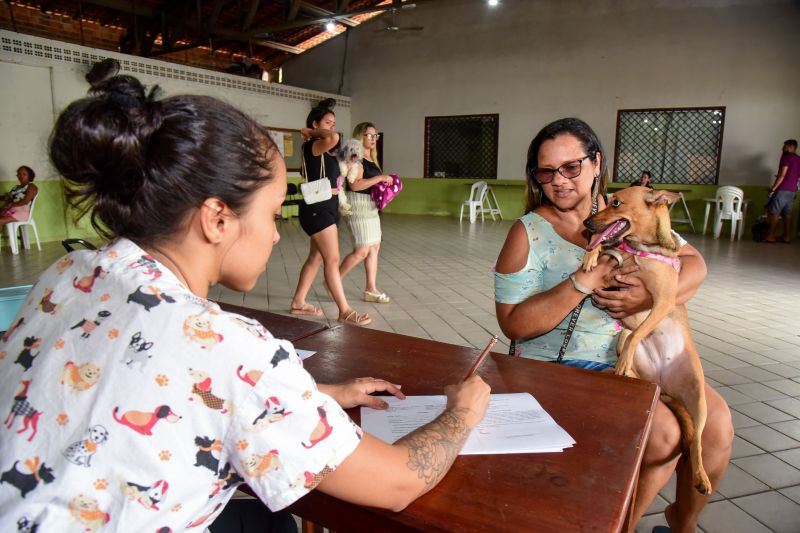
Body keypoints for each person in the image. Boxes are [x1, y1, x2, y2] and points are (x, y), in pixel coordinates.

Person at [0, 62, 491, 532]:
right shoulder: (226, 346)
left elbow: (158, 380)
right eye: (273, 212)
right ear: (217, 218)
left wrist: (316, 395)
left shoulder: (69, 272)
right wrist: (463, 411)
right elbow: (398, 482)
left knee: (265, 521)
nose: (277, 235)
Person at [494, 118, 732, 532]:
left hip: (637, 359)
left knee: (716, 424)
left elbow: (694, 264)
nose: (559, 181)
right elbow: (513, 325)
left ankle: (682, 522)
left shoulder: (626, 210)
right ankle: (619, 525)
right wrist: (580, 283)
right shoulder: (528, 232)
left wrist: (649, 296)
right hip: (561, 365)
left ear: (596, 162)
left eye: (571, 167)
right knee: (662, 434)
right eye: (546, 171)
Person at [290, 99, 372, 325]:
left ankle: (298, 302)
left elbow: (346, 156)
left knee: (315, 258)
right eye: (327, 122)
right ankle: (344, 310)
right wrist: (309, 132)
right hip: (317, 209)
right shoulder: (313, 145)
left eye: (334, 123)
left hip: (326, 206)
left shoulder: (325, 148)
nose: (332, 128)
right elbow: (334, 138)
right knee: (332, 259)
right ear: (315, 124)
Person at [339, 122, 394, 304]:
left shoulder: (372, 157)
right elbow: (354, 184)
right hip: (357, 204)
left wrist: (385, 184)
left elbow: (370, 183)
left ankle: (371, 289)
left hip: (370, 206)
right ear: (359, 136)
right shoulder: (356, 157)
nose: (372, 139)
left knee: (374, 247)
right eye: (368, 135)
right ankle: (334, 282)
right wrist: (379, 178)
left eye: (375, 135)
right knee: (362, 249)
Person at [764, 139, 800, 243]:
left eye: (784, 146)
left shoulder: (786, 157)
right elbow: (797, 176)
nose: (782, 148)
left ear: (791, 147)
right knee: (787, 214)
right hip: (792, 190)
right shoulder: (799, 159)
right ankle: (787, 237)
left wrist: (773, 189)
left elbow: (782, 175)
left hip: (783, 189)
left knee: (775, 213)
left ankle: (771, 236)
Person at [0, 165, 39, 233]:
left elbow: (26, 201)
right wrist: (5, 201)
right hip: (11, 210)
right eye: (19, 174)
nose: (21, 176)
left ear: (29, 175)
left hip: (22, 212)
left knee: (0, 221)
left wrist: (11, 205)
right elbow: (7, 198)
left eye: (24, 174)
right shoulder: (16, 188)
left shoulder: (31, 186)